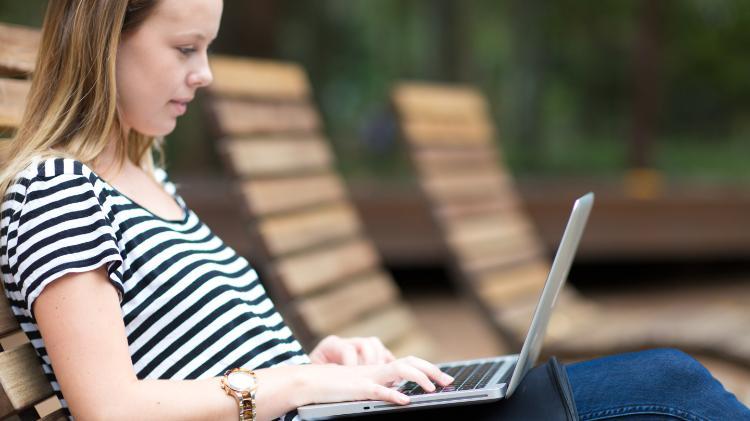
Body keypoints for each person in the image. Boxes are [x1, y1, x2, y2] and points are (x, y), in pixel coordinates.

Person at [0, 1, 748, 420]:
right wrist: (297, 384)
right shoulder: (61, 188)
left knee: (667, 386)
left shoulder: (146, 176)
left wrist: (315, 362)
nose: (205, 73)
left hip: (322, 415)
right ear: (106, 40)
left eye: (210, 47)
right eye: (186, 47)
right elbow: (109, 408)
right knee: (673, 389)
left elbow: (194, 357)